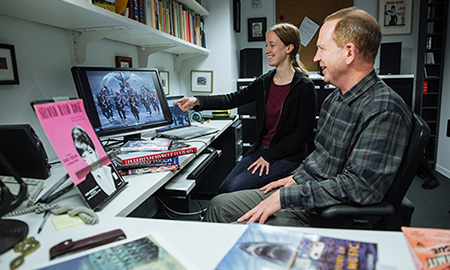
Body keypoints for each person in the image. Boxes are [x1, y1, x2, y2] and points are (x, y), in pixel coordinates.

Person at [204, 7, 413, 228]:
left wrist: (287, 196)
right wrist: (296, 178)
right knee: (219, 204)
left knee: (232, 222)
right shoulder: (336, 100)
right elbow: (321, 159)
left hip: (324, 212)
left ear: (349, 53)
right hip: (307, 195)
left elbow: (359, 187)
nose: (315, 57)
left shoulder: (384, 108)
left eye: (322, 48)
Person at [174, 23, 316, 194]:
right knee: (225, 188)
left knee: (232, 189)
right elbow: (232, 99)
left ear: (289, 48)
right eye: (266, 45)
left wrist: (269, 157)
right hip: (261, 150)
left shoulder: (304, 87)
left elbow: (303, 134)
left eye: (272, 45)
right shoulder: (264, 82)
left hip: (287, 156)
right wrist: (197, 100)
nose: (266, 50)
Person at [72, 125, 123, 206]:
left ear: (95, 151)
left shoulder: (112, 170)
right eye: (84, 156)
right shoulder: (87, 185)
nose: (90, 160)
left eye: (90, 152)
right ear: (82, 159)